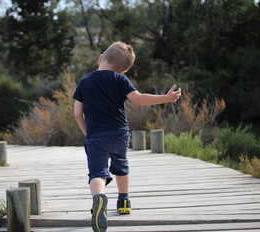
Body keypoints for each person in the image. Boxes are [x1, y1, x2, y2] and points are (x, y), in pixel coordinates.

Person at [73, 41, 182, 232]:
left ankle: (99, 199)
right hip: (119, 134)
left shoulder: (84, 82)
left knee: (97, 173)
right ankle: (123, 201)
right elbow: (139, 99)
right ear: (123, 70)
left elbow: (77, 114)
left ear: (100, 58)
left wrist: (88, 133)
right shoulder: (120, 79)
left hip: (96, 136)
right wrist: (166, 97)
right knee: (121, 166)